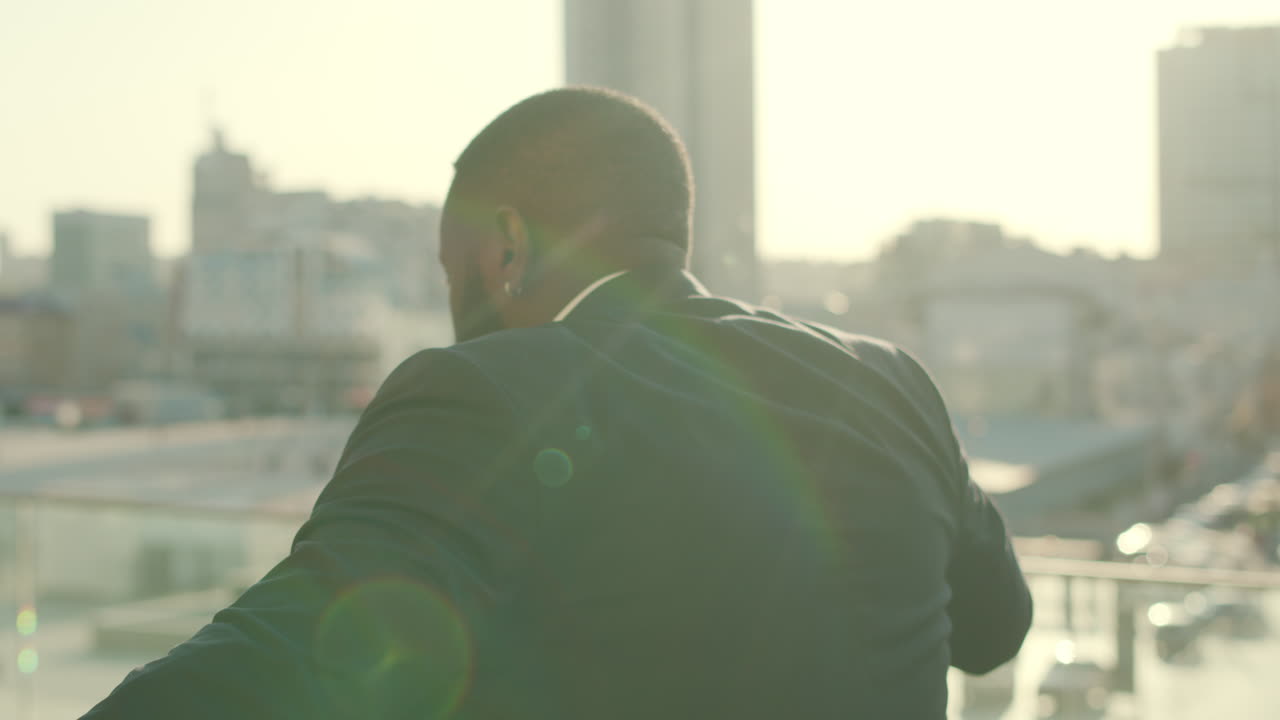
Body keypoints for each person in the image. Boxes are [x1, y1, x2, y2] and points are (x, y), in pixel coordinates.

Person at [82, 87, 1031, 719]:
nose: (455, 310)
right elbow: (997, 632)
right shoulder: (890, 382)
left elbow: (275, 661)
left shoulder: (485, 392)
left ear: (506, 247)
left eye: (452, 274)